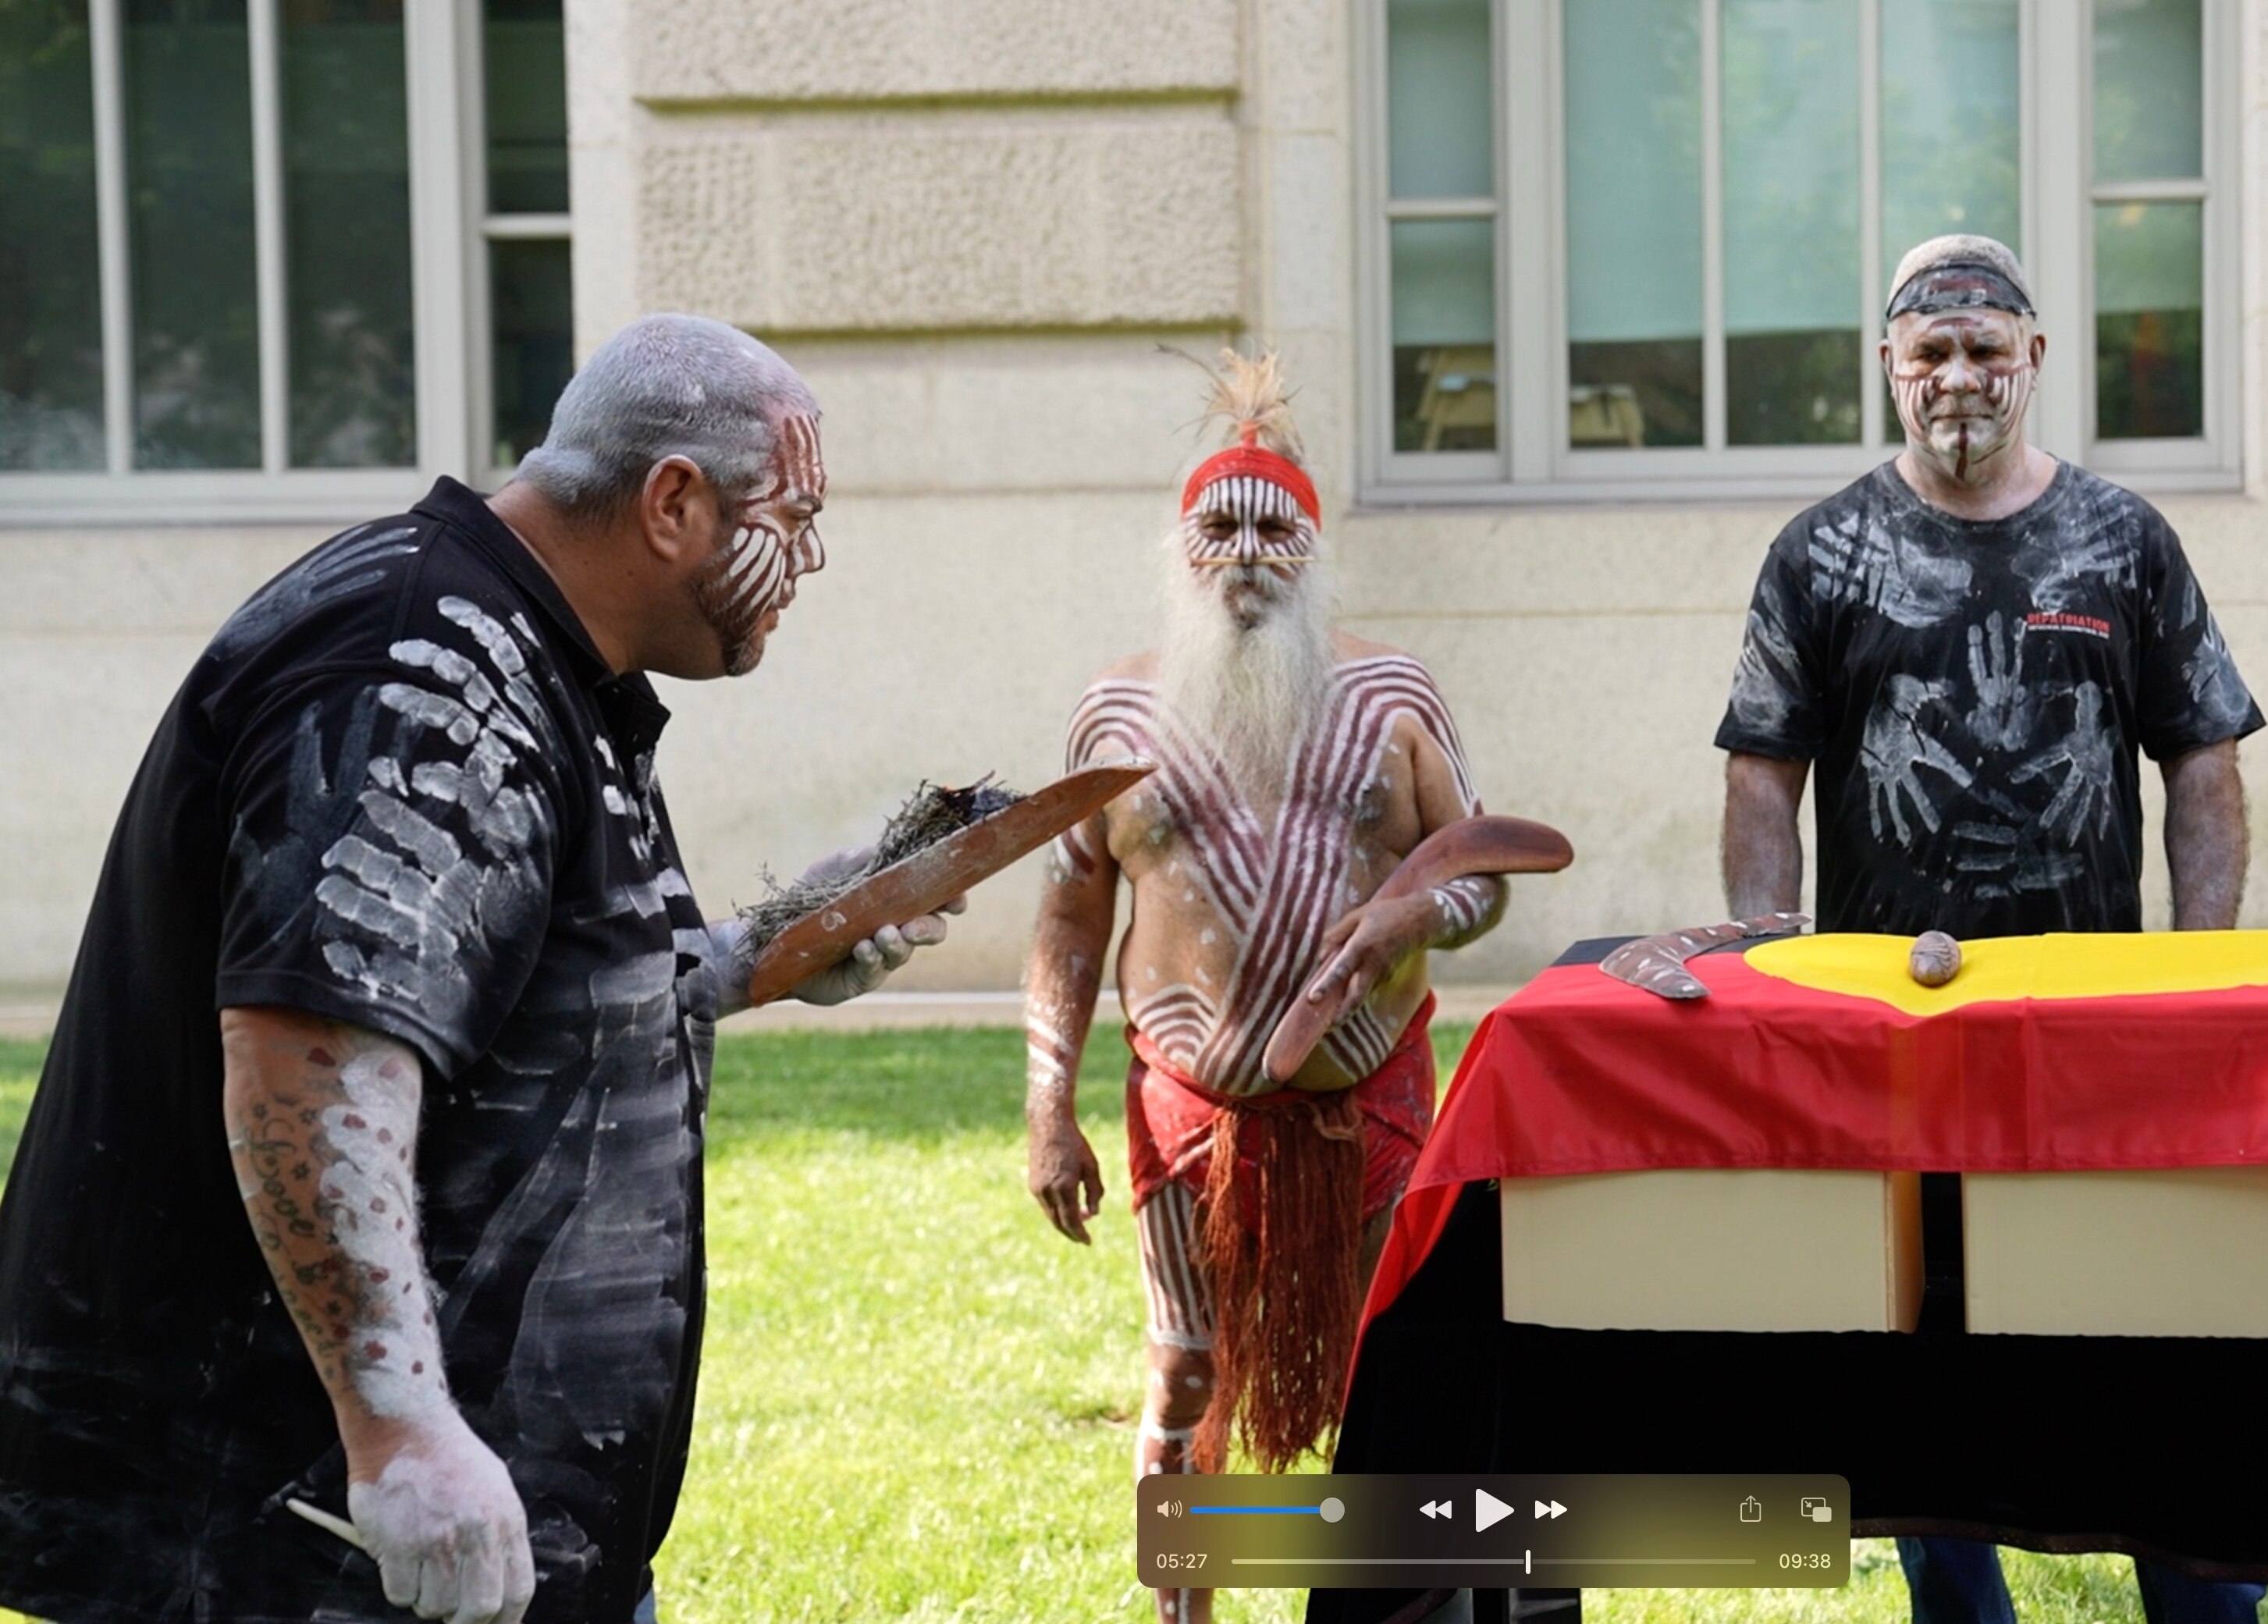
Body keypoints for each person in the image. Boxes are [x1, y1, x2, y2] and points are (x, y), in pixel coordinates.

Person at [0, 314, 958, 1624]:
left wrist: (761, 954)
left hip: (470, 1542)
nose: (811, 561)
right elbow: (306, 1051)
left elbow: (503, 986)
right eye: (791, 517)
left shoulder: (537, 655)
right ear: (673, 501)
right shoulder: (427, 666)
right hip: (301, 1539)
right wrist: (401, 1432)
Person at [1717, 236, 2268, 1624]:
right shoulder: (1819, 552)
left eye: (1985, 349)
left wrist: (2196, 979)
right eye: (1930, 353)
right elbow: (1759, 780)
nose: (1958, 375)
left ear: (2034, 357)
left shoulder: (2126, 540)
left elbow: (2204, 766)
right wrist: (1778, 974)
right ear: (1890, 370)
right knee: (1918, 1354)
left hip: (2095, 1032)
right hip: (1893, 1033)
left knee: (2154, 1346)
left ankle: (2201, 1604)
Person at [1022, 351, 1514, 1624]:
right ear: (1179, 548)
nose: (1243, 549)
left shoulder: (1393, 696)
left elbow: (1480, 875)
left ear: (1312, 546)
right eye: (1217, 525)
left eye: (1271, 525)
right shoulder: (1115, 714)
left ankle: (1399, 1609)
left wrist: (1410, 912)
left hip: (1372, 1105)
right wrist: (1047, 1107)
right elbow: (1072, 913)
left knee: (1387, 1381)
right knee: (1184, 1374)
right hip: (1190, 1117)